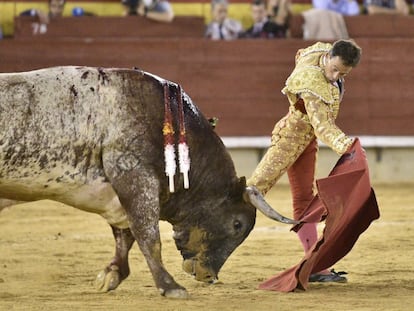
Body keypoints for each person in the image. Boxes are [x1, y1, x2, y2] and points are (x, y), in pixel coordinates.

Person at [247, 39, 362, 283]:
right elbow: (321, 126)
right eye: (335, 69)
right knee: (252, 191)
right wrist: (346, 145)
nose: (336, 76)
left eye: (343, 73)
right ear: (329, 56)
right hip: (290, 138)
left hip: (306, 141)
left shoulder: (320, 54)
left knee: (303, 199)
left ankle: (315, 265)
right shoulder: (310, 82)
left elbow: (301, 53)